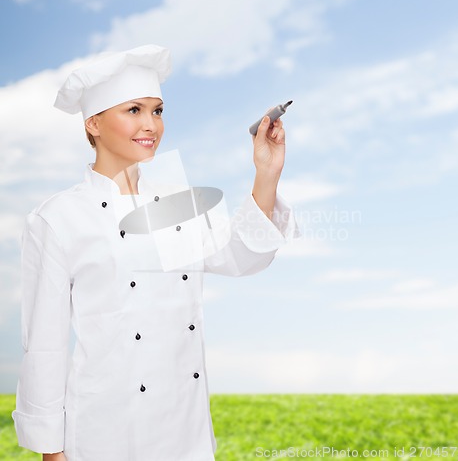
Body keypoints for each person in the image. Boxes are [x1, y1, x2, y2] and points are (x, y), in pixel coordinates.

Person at [12, 44, 298, 461]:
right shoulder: (57, 219)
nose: (151, 124)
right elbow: (45, 346)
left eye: (158, 111)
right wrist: (51, 451)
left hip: (185, 431)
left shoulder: (176, 198)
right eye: (134, 110)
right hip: (101, 433)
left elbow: (242, 256)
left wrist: (266, 172)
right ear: (93, 123)